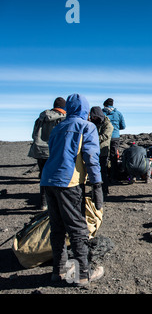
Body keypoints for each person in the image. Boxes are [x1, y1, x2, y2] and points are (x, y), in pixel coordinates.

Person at [40, 94, 104, 287]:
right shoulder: (87, 127)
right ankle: (83, 274)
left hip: (48, 180)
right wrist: (97, 185)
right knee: (77, 228)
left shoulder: (58, 127)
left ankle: (57, 271)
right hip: (68, 182)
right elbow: (91, 157)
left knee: (57, 227)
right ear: (84, 109)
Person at [28, 97, 67, 210]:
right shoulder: (63, 119)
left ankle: (43, 202)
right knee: (57, 177)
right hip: (55, 151)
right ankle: (55, 202)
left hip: (40, 150)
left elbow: (34, 134)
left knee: (44, 176)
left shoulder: (41, 118)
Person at [89, 106, 114, 198]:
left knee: (103, 171)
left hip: (102, 151)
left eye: (94, 116)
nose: (93, 118)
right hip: (93, 150)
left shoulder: (108, 125)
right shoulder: (93, 123)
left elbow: (105, 136)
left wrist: (90, 139)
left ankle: (104, 190)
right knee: (93, 171)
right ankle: (95, 190)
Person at [102, 98, 126, 181]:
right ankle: (114, 176)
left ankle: (104, 175)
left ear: (104, 104)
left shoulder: (102, 113)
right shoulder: (118, 113)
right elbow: (123, 126)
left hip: (104, 137)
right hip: (115, 137)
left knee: (103, 155)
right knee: (114, 156)